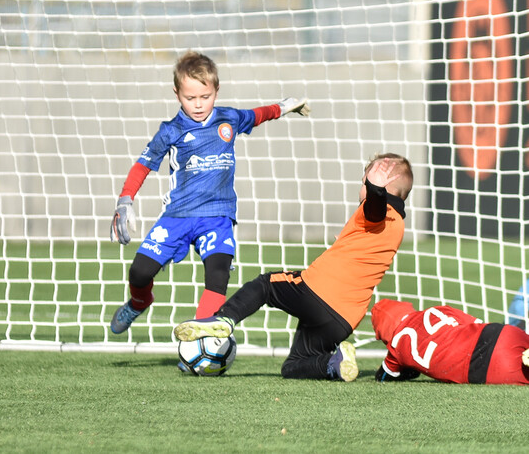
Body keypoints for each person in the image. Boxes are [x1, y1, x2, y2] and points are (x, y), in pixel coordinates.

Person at [108, 51, 309, 333]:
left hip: (218, 216)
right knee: (139, 272)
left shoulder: (229, 118)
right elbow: (143, 165)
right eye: (190, 98)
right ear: (177, 94)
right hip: (177, 216)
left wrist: (284, 106)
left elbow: (258, 115)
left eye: (206, 96)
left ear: (216, 90)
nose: (199, 104)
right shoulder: (170, 131)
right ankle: (140, 302)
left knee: (218, 274)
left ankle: (198, 339)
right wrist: (125, 201)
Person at [174, 153, 413, 381]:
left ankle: (224, 319)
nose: (362, 188)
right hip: (343, 320)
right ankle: (334, 364)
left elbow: (376, 208)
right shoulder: (398, 225)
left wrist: (376, 189)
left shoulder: (376, 209)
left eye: (364, 182)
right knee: (294, 366)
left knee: (265, 286)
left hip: (316, 291)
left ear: (383, 189)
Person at [369, 298, 529, 386]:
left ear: (385, 334)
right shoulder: (436, 311)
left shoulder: (397, 347)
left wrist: (407, 369)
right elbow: (471, 320)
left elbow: (386, 377)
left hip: (484, 367)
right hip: (496, 334)